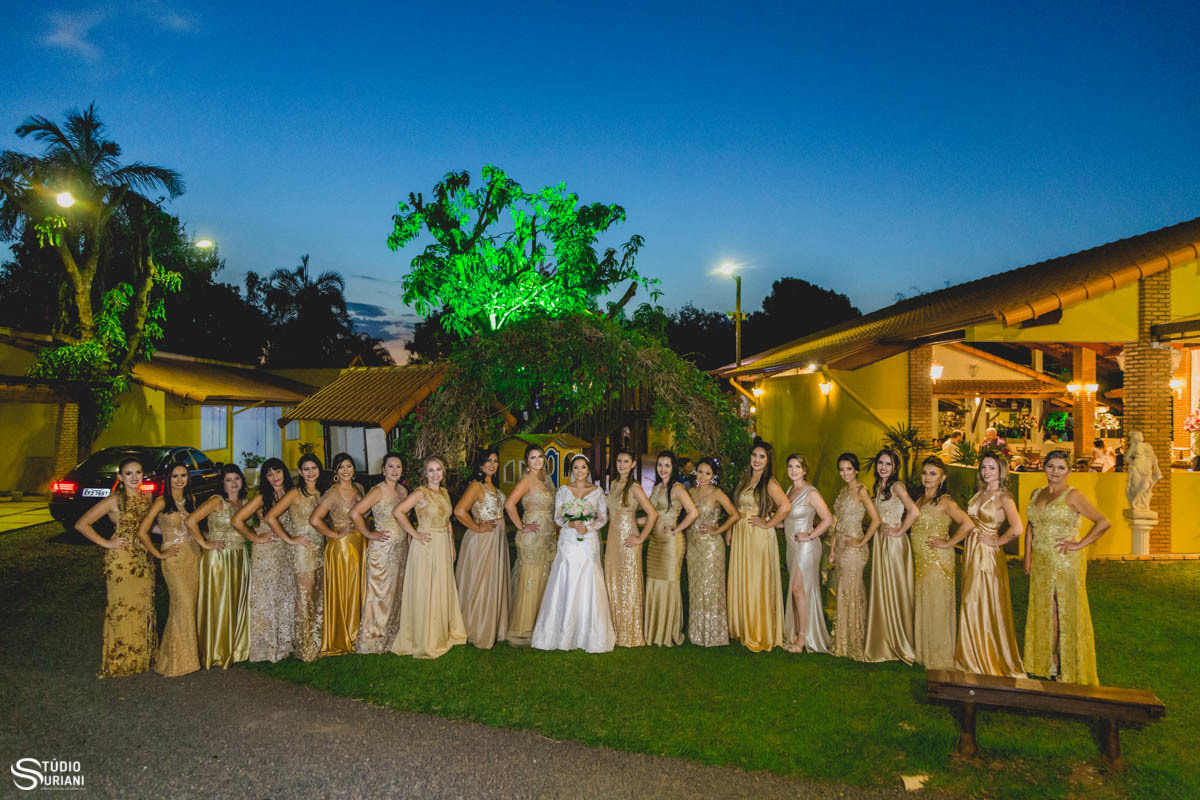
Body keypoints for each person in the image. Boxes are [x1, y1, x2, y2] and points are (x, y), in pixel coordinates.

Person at [1023, 451, 1111, 684]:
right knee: (1045, 610)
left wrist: (1079, 544)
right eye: (1051, 466)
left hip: (1065, 561)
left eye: (1061, 467)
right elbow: (1031, 527)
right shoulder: (1036, 493)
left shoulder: (1074, 496)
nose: (1055, 471)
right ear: (1044, 467)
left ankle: (1067, 666)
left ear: (1069, 471)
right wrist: (1028, 558)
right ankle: (1047, 663)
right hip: (1041, 562)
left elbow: (1104, 522)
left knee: (1064, 610)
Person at [943, 453, 1025, 677]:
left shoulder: (1004, 497)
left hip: (987, 555)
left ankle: (986, 658)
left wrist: (996, 541)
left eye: (991, 468)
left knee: (982, 602)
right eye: (983, 468)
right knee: (970, 600)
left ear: (1001, 471)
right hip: (972, 552)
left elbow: (1017, 528)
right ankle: (970, 655)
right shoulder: (981, 492)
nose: (986, 471)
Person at [75, 456, 157, 678]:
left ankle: (139, 658)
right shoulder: (113, 501)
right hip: (121, 560)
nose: (134, 477)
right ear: (120, 477)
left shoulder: (147, 497)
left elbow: (151, 528)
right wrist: (107, 543)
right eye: (129, 473)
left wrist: (177, 534)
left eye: (138, 472)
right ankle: (121, 661)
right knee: (121, 609)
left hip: (143, 559)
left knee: (142, 607)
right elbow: (81, 524)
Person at [532, 455, 615, 652]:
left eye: (583, 467)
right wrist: (570, 523)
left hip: (588, 540)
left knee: (589, 578)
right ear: (572, 470)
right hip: (568, 540)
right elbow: (557, 516)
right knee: (566, 577)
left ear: (588, 470)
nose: (580, 471)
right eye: (576, 468)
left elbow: (603, 517)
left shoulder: (597, 492)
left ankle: (589, 633)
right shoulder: (563, 490)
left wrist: (589, 526)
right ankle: (560, 633)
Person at [390, 457, 467, 658]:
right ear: (425, 473)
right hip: (426, 546)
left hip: (442, 544)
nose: (435, 474)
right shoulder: (420, 493)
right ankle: (426, 638)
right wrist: (414, 534)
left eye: (438, 470)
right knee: (427, 589)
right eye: (431, 471)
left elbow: (448, 520)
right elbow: (398, 512)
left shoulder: (444, 492)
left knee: (441, 588)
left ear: (443, 472)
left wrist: (451, 544)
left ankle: (442, 631)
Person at [136, 463, 200, 677]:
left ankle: (176, 657)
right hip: (173, 561)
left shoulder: (190, 500)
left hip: (193, 557)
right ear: (167, 479)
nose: (179, 480)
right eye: (175, 476)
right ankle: (179, 661)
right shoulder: (162, 502)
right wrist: (160, 553)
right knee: (182, 606)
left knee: (187, 608)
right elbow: (143, 531)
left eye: (183, 476)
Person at [728, 440, 792, 652]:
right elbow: (737, 507)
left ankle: (759, 630)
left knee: (756, 580)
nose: (756, 460)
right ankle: (744, 626)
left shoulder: (769, 482)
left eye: (761, 457)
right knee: (744, 578)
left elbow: (785, 506)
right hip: (741, 533)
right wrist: (729, 529)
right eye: (754, 455)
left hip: (757, 535)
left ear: (768, 460)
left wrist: (768, 523)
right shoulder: (746, 478)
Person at [263, 454, 326, 662]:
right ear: (300, 472)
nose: (310, 472)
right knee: (304, 598)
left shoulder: (322, 493)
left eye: (314, 468)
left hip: (320, 547)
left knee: (318, 596)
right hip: (303, 550)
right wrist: (290, 539)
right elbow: (270, 517)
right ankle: (304, 647)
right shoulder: (295, 493)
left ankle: (318, 640)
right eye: (306, 469)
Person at [188, 463, 251, 669]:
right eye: (229, 480)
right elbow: (191, 521)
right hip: (219, 558)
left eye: (237, 479)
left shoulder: (245, 502)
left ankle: (235, 648)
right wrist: (205, 543)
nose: (234, 483)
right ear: (222, 484)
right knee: (219, 603)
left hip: (240, 556)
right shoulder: (216, 501)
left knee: (235, 602)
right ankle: (216, 650)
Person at [233, 458, 296, 663]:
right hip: (266, 552)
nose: (275, 477)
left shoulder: (292, 493)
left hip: (286, 551)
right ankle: (266, 646)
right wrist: (256, 537)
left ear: (284, 472)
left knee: (284, 594)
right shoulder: (262, 497)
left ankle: (285, 643)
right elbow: (237, 520)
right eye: (269, 474)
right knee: (266, 597)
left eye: (277, 472)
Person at [912, 457, 972, 670]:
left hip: (938, 560)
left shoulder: (946, 501)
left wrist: (949, 543)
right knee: (925, 600)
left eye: (933, 474)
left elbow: (967, 523)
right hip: (921, 560)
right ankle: (924, 650)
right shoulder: (921, 499)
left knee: (938, 603)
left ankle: (939, 654)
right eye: (925, 473)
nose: (927, 478)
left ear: (943, 478)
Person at [863, 449, 919, 664]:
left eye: (888, 464)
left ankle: (899, 639)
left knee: (895, 588)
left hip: (893, 544)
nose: (883, 467)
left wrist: (900, 530)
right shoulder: (879, 486)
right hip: (881, 541)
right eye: (880, 463)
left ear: (895, 467)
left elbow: (913, 511)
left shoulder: (897, 486)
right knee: (882, 588)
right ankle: (883, 637)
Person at [350, 453, 410, 654]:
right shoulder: (377, 491)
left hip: (401, 548)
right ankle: (372, 639)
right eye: (390, 467)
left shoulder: (403, 491)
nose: (394, 471)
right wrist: (368, 533)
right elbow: (355, 513)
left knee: (396, 593)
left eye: (398, 467)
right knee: (380, 595)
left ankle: (392, 634)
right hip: (382, 550)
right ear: (383, 470)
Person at [453, 448, 511, 649]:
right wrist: (478, 527)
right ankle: (475, 627)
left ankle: (493, 625)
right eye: (488, 461)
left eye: (495, 460)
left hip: (497, 539)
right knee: (480, 581)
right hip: (482, 539)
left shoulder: (493, 486)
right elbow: (459, 511)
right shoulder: (476, 486)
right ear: (480, 465)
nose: (492, 464)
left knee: (492, 580)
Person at [309, 453, 364, 656]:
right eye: (341, 467)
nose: (346, 470)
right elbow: (314, 519)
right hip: (341, 548)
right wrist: (334, 534)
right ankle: (344, 635)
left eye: (348, 466)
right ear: (335, 472)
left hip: (359, 544)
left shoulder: (359, 489)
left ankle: (357, 631)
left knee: (356, 588)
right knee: (344, 590)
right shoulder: (333, 493)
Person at [829, 452, 880, 660]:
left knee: (852, 591)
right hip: (840, 546)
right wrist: (832, 549)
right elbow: (837, 523)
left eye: (849, 469)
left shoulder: (861, 491)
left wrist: (862, 541)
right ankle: (842, 640)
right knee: (843, 591)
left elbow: (876, 519)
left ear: (856, 470)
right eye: (841, 469)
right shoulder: (842, 492)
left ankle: (855, 642)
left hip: (854, 549)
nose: (845, 473)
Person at [644, 450, 699, 647]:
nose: (662, 469)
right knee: (654, 582)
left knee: (668, 584)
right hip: (654, 543)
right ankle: (653, 629)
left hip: (670, 544)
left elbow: (693, 512)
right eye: (660, 465)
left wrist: (677, 528)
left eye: (667, 465)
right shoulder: (657, 487)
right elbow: (651, 516)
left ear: (673, 467)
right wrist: (628, 521)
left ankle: (667, 631)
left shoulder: (677, 489)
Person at [504, 445, 557, 645]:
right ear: (527, 461)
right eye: (533, 457)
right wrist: (521, 526)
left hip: (548, 536)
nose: (537, 460)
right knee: (530, 578)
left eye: (540, 457)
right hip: (532, 537)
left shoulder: (546, 479)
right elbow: (509, 504)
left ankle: (541, 623)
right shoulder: (526, 480)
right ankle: (524, 627)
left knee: (544, 576)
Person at [780, 453, 832, 654]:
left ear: (805, 470)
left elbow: (827, 519)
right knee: (798, 591)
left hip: (806, 547)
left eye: (797, 467)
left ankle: (803, 638)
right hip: (792, 546)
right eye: (790, 466)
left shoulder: (810, 492)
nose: (793, 470)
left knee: (797, 589)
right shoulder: (790, 490)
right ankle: (799, 632)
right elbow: (789, 520)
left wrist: (809, 535)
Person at [604, 448, 657, 647]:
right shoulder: (615, 484)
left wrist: (641, 538)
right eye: (619, 460)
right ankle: (614, 629)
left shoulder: (635, 487)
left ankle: (630, 632)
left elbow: (652, 514)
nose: (622, 464)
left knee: (629, 583)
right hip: (612, 538)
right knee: (613, 580)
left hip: (628, 540)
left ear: (633, 464)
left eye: (626, 461)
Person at [687, 458, 738, 647]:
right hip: (693, 545)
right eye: (700, 472)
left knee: (711, 587)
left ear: (714, 475)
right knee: (696, 586)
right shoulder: (691, 492)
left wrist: (718, 530)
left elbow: (735, 514)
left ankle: (714, 633)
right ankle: (697, 632)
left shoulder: (717, 493)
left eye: (707, 473)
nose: (702, 476)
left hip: (711, 548)